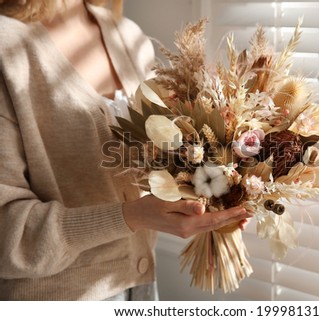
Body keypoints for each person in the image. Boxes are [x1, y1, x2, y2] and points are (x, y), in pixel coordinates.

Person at [0, 0, 250, 300]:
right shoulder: (7, 49)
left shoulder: (128, 37)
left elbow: (160, 162)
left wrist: (213, 194)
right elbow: (6, 232)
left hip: (142, 291)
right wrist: (130, 217)